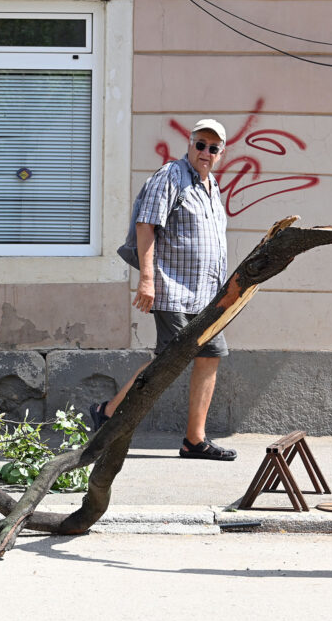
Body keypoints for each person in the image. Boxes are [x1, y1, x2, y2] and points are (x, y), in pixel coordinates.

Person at [88, 119, 236, 461]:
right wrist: (147, 280)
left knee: (211, 354)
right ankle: (109, 413)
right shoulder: (171, 176)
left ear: (221, 153)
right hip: (173, 290)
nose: (206, 153)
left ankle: (194, 440)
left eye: (213, 148)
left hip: (207, 296)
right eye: (201, 144)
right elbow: (146, 225)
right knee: (167, 362)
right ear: (190, 143)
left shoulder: (212, 186)